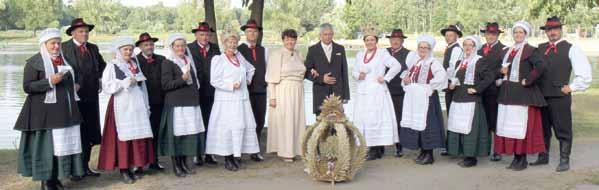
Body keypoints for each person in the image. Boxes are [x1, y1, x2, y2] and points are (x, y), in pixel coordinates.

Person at [14, 28, 84, 190]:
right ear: (44, 44)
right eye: (52, 43)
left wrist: (77, 84)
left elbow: (78, 74)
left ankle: (57, 179)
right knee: (48, 147)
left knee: (61, 146)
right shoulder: (34, 62)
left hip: (66, 112)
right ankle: (46, 181)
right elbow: (27, 87)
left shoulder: (65, 60)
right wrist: (49, 81)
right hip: (44, 113)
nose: (56, 46)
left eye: (58, 43)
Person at [530, 16, 593, 172]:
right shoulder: (539, 48)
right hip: (541, 96)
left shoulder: (571, 48)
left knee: (563, 129)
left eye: (555, 29)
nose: (552, 32)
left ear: (561, 30)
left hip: (560, 96)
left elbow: (584, 74)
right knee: (543, 128)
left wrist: (572, 87)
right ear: (546, 32)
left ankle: (564, 159)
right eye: (549, 30)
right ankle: (543, 156)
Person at [97, 37, 155, 184]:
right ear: (119, 51)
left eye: (130, 49)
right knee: (124, 137)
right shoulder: (112, 65)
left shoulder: (134, 64)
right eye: (125, 49)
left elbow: (143, 87)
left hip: (136, 104)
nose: (128, 52)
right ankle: (124, 169)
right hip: (121, 104)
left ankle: (135, 165)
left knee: (136, 135)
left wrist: (146, 105)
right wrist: (124, 83)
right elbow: (107, 86)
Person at [494, 20, 547, 171]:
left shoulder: (531, 50)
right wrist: (500, 72)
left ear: (526, 34)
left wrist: (528, 80)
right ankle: (516, 158)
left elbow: (541, 66)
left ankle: (522, 158)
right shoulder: (507, 51)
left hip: (522, 95)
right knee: (509, 126)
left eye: (521, 32)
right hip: (507, 94)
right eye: (516, 32)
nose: (518, 35)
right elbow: (501, 69)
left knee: (521, 126)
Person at [205, 32, 260, 172]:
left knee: (239, 126)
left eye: (234, 42)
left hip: (241, 99)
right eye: (229, 42)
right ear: (224, 44)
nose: (232, 45)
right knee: (227, 128)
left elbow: (251, 68)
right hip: (226, 100)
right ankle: (227, 158)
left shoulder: (239, 57)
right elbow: (214, 81)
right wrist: (230, 85)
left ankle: (236, 156)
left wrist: (247, 80)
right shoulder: (218, 59)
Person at [61, 18, 106, 179]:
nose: (84, 34)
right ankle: (74, 170)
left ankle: (85, 167)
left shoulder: (93, 48)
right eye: (81, 31)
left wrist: (100, 78)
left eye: (86, 31)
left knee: (89, 133)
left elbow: (102, 66)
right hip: (73, 99)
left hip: (92, 97)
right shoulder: (63, 48)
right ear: (73, 32)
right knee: (75, 133)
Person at [351, 27, 403, 160]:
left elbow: (396, 66)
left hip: (376, 91)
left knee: (375, 118)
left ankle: (377, 149)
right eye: (367, 40)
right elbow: (354, 72)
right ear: (364, 41)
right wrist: (359, 75)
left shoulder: (382, 54)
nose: (369, 42)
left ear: (376, 41)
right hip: (363, 91)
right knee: (365, 119)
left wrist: (385, 78)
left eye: (372, 40)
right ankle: (369, 146)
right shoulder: (359, 55)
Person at [160, 34, 205, 177]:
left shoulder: (188, 60)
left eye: (183, 45)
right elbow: (166, 85)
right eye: (177, 46)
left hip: (191, 103)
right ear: (172, 47)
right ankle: (176, 166)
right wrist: (182, 79)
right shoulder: (168, 62)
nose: (180, 48)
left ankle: (185, 164)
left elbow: (195, 82)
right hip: (177, 104)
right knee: (177, 136)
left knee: (188, 135)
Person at [446, 36, 494, 167]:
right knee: (458, 126)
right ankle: (461, 152)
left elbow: (489, 77)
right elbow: (455, 78)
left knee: (470, 129)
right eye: (465, 45)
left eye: (470, 45)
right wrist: (452, 85)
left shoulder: (480, 61)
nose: (467, 47)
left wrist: (477, 89)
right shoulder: (459, 63)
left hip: (471, 100)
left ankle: (471, 157)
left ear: (475, 47)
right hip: (458, 98)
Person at [400, 35, 447, 165]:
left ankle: (429, 154)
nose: (423, 50)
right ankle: (423, 151)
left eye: (426, 48)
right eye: (421, 47)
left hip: (428, 99)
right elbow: (408, 78)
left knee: (428, 126)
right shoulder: (416, 63)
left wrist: (428, 86)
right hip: (416, 99)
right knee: (418, 124)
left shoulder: (433, 62)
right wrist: (407, 81)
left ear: (430, 49)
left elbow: (442, 77)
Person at [266, 29, 307, 162]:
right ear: (283, 40)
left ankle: (297, 149)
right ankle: (285, 151)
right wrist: (272, 97)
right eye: (287, 39)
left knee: (297, 120)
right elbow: (271, 78)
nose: (290, 42)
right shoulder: (276, 55)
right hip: (283, 90)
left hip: (298, 90)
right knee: (286, 120)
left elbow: (303, 72)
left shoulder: (299, 54)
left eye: (293, 39)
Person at [188, 22, 220, 166]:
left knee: (211, 122)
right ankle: (196, 153)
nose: (205, 37)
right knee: (196, 123)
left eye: (207, 34)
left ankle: (209, 153)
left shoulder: (215, 48)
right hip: (196, 92)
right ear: (196, 35)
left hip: (212, 92)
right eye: (202, 34)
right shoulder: (189, 48)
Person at [136, 32, 168, 170]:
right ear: (141, 47)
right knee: (142, 133)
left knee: (156, 131)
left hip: (159, 101)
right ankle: (140, 162)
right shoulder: (135, 61)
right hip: (142, 102)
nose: (149, 47)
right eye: (146, 45)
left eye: (151, 44)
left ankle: (154, 160)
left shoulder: (162, 59)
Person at [237, 19, 268, 162]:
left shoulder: (263, 50)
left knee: (259, 121)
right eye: (249, 31)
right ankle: (240, 150)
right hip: (246, 91)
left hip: (261, 90)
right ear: (245, 33)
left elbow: (268, 70)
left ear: (258, 33)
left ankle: (255, 151)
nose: (252, 34)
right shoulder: (239, 50)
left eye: (255, 31)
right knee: (243, 121)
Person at [304, 23, 350, 116]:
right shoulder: (313, 50)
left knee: (338, 125)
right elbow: (306, 72)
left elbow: (344, 72)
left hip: (337, 94)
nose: (328, 37)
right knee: (321, 126)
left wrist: (346, 95)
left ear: (333, 34)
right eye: (325, 34)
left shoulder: (340, 49)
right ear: (320, 35)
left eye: (330, 34)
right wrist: (321, 78)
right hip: (320, 93)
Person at [477, 22, 507, 162]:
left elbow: (505, 70)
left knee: (495, 120)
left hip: (495, 89)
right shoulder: (480, 49)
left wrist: (500, 78)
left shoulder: (503, 50)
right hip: (480, 90)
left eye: (493, 34)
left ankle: (497, 150)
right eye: (488, 33)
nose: (490, 36)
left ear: (497, 35)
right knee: (483, 120)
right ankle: (484, 147)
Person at [385, 28, 411, 157]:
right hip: (384, 90)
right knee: (384, 117)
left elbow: (410, 70)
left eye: (397, 39)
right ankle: (380, 146)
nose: (395, 41)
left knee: (399, 118)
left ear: (402, 40)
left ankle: (399, 146)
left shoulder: (408, 54)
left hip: (400, 92)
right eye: (393, 39)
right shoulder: (384, 52)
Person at [440, 23, 464, 156]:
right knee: (451, 114)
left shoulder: (455, 49)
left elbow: (453, 67)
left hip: (453, 85)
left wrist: (448, 81)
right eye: (447, 35)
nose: (448, 37)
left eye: (451, 35)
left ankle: (453, 145)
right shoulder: (449, 48)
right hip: (449, 84)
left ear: (456, 36)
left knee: (453, 114)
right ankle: (451, 144)